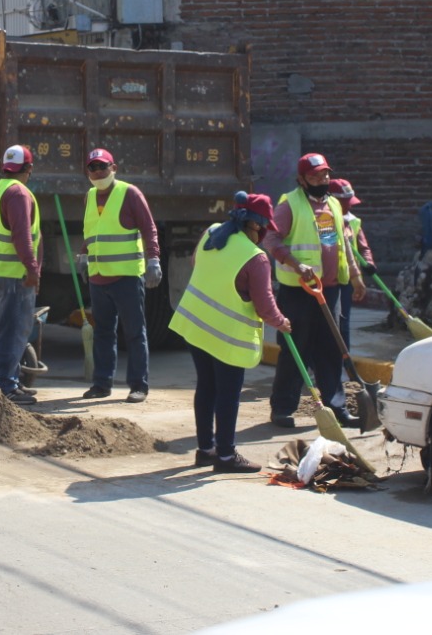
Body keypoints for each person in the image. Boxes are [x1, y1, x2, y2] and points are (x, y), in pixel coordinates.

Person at [170, 192, 292, 473]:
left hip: (196, 326)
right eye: (262, 228)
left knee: (206, 387)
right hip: (226, 336)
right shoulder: (255, 258)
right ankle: (225, 456)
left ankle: (205, 450)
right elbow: (265, 306)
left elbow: (195, 264)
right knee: (228, 394)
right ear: (254, 225)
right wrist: (281, 322)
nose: (263, 234)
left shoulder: (211, 233)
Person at [264, 153, 366, 429]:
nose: (322, 180)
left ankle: (336, 406)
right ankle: (283, 408)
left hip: (329, 289)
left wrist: (355, 276)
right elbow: (271, 238)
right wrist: (297, 265)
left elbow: (339, 245)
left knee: (331, 349)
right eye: (315, 177)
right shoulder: (290, 205)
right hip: (298, 291)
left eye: (325, 175)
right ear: (301, 180)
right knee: (296, 348)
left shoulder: (332, 204)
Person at [77, 147, 162, 404]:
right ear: (87, 172)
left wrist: (153, 259)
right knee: (103, 332)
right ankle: (102, 384)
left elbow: (149, 228)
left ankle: (139, 385)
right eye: (93, 167)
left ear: (114, 168)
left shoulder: (130, 193)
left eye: (103, 166)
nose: (98, 171)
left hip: (126, 277)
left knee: (135, 333)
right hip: (98, 277)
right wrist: (83, 256)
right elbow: (92, 233)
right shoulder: (90, 196)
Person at [0, 144, 42, 405]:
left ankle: (11, 379)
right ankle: (7, 385)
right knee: (14, 331)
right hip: (15, 274)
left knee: (5, 329)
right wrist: (32, 270)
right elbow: (22, 236)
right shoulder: (19, 194)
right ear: (29, 168)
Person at [329, 178, 378, 351]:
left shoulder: (354, 221)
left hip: (349, 279)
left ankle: (345, 358)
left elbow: (363, 247)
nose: (349, 206)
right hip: (329, 279)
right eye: (344, 203)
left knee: (343, 321)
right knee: (327, 324)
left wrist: (368, 263)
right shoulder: (323, 220)